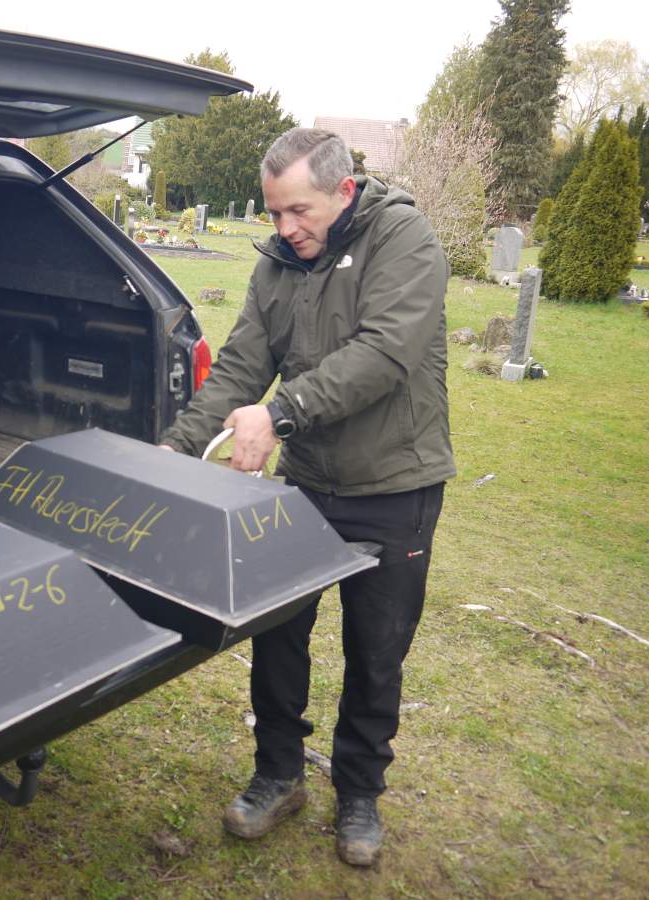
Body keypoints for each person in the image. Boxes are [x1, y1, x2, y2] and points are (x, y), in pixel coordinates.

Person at [158, 128, 455, 867]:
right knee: (279, 632)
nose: (286, 229)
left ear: (343, 191)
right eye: (275, 213)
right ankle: (278, 774)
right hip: (307, 482)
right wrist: (175, 449)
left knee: (375, 649)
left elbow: (383, 354)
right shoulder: (279, 264)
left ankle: (358, 792)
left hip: (395, 486)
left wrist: (279, 417)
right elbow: (239, 367)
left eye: (299, 211)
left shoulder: (403, 239)